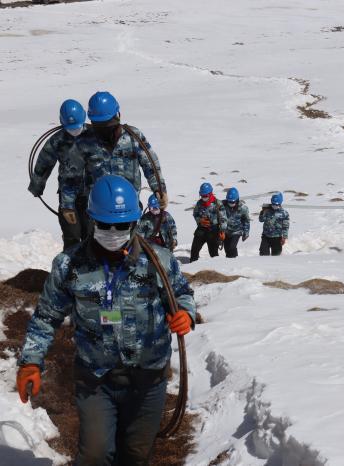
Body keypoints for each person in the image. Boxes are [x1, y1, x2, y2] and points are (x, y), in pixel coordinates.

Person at [16, 175, 195, 466]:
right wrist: (30, 362)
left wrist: (185, 313)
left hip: (148, 379)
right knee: (95, 455)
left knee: (136, 455)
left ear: (134, 223)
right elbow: (46, 317)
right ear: (91, 220)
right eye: (104, 224)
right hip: (96, 380)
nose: (113, 232)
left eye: (121, 226)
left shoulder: (158, 261)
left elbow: (182, 293)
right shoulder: (69, 265)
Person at [77, 91, 169, 211]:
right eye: (99, 125)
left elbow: (150, 164)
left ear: (117, 116)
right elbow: (73, 173)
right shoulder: (85, 141)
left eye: (108, 124)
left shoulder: (134, 137)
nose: (104, 129)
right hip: (97, 209)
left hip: (129, 207)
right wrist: (70, 204)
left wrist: (159, 189)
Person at [28, 99, 91, 250]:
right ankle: (70, 263)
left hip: (93, 195)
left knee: (91, 235)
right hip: (68, 198)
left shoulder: (95, 136)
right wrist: (37, 185)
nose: (74, 132)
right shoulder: (57, 140)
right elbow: (44, 163)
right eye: (71, 129)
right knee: (72, 236)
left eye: (77, 128)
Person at [190, 182, 227, 262]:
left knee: (213, 253)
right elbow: (195, 214)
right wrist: (200, 220)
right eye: (202, 195)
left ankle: (216, 267)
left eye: (205, 196)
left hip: (213, 230)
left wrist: (223, 231)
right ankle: (193, 265)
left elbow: (223, 219)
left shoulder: (218, 203)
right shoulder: (199, 203)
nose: (203, 197)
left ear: (210, 194)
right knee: (194, 249)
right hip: (201, 229)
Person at [222, 187, 250, 258]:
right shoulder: (222, 205)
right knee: (227, 249)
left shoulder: (243, 208)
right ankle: (231, 261)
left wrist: (246, 232)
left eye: (233, 202)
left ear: (237, 200)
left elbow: (246, 221)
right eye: (229, 201)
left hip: (237, 231)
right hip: (226, 231)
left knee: (232, 247)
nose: (231, 203)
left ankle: (234, 260)